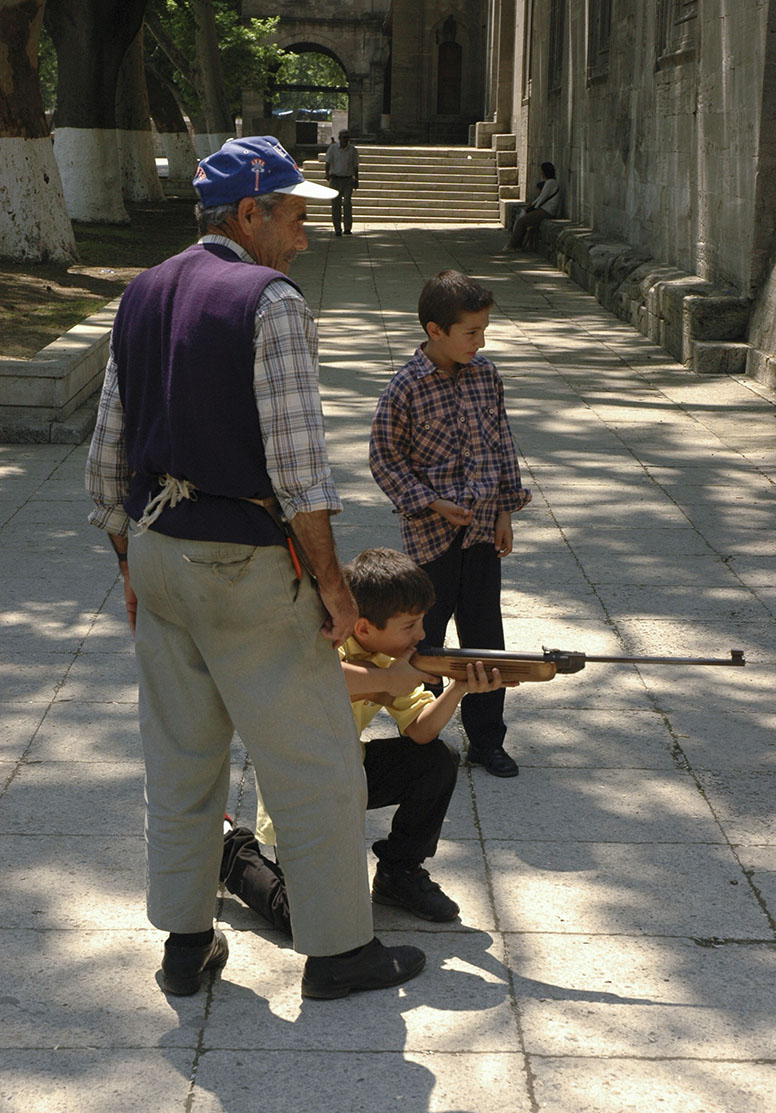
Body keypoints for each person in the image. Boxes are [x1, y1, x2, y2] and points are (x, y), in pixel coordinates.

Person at [85, 135, 425, 1002]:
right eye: (295, 215)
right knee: (312, 762)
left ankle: (185, 943)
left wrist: (129, 557)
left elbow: (107, 454)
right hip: (242, 563)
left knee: (182, 756)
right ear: (249, 213)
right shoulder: (268, 301)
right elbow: (299, 466)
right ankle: (342, 950)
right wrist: (337, 590)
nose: (304, 236)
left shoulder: (143, 291)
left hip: (160, 553)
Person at [226, 547, 509, 927]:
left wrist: (457, 689)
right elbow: (319, 674)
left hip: (347, 774)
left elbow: (421, 732)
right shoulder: (322, 635)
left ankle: (399, 872)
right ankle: (230, 851)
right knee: (304, 921)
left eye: (422, 621)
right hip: (297, 787)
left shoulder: (394, 660)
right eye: (409, 625)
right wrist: (388, 680)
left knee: (438, 759)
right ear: (363, 627)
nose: (422, 634)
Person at [369, 270, 531, 778]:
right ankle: (422, 734)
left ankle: (488, 739)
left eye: (484, 332)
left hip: (483, 531)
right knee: (427, 642)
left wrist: (504, 510)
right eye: (470, 333)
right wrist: (432, 503)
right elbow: (384, 459)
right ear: (435, 330)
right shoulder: (405, 388)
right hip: (429, 536)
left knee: (486, 637)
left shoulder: (487, 376)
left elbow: (503, 445)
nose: (478, 342)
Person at [504, 162, 561, 251]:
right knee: (525, 222)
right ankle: (518, 244)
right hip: (544, 209)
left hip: (547, 210)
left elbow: (542, 197)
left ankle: (513, 245)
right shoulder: (549, 182)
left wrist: (533, 207)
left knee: (521, 221)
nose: (541, 173)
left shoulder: (551, 183)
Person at [324, 129, 359, 236]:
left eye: (347, 137)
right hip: (335, 179)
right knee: (336, 205)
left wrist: (356, 179)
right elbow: (328, 161)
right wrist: (327, 174)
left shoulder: (352, 150)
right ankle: (337, 228)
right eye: (344, 137)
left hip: (348, 179)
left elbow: (355, 165)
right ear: (339, 138)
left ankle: (347, 227)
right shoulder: (333, 148)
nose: (346, 140)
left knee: (347, 203)